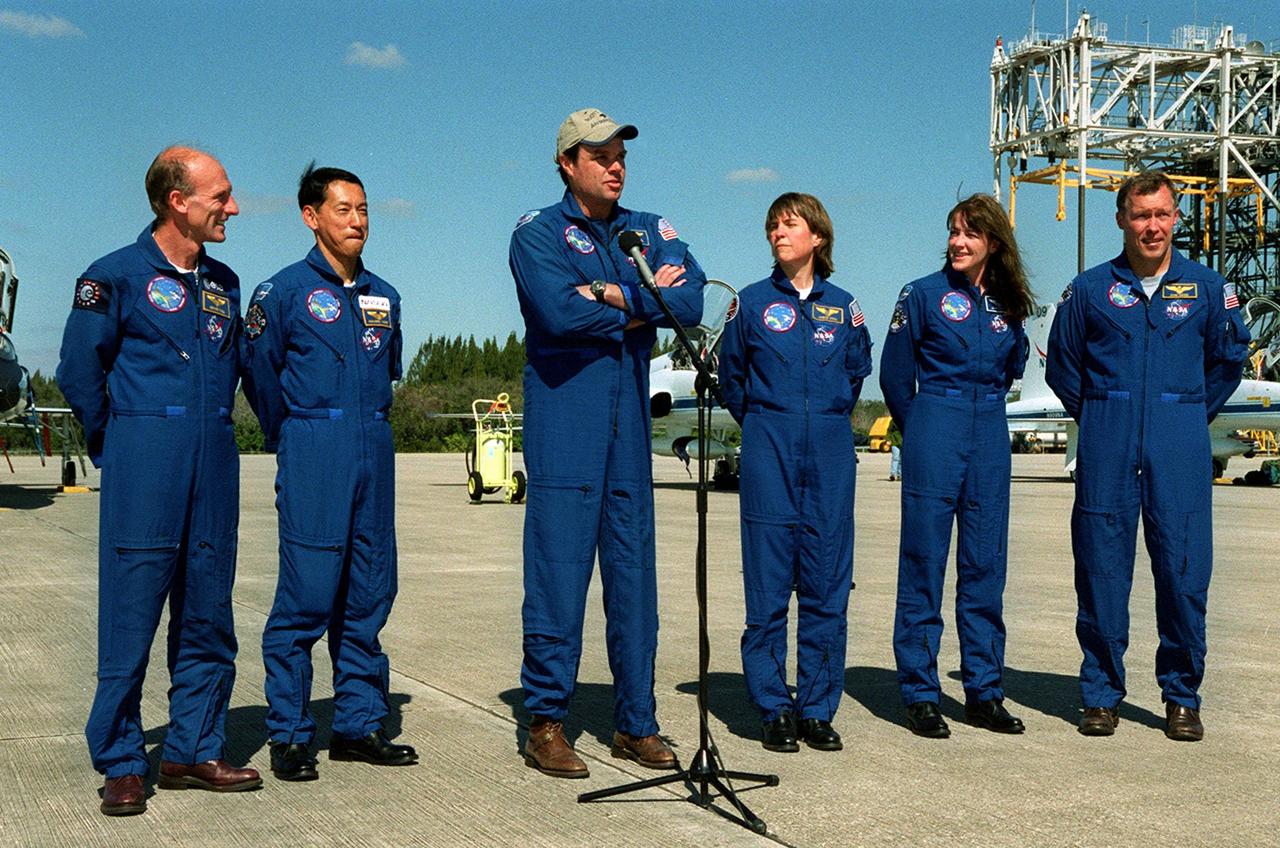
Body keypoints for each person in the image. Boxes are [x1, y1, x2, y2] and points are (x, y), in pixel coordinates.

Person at [57, 146, 260, 816]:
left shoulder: (223, 283)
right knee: (131, 615)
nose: (232, 207)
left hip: (214, 464)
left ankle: (192, 748)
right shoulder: (110, 277)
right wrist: (120, 443)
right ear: (178, 199)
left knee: (208, 613)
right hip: (146, 461)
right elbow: (79, 371)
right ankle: (120, 759)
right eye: (220, 196)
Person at [509, 107, 706, 778]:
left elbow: (692, 302)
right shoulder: (538, 233)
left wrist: (606, 293)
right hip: (567, 422)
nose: (617, 163)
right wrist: (638, 299)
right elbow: (557, 310)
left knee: (634, 579)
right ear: (568, 163)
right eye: (600, 154)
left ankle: (636, 723)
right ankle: (545, 721)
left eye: (621, 152)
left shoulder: (648, 229)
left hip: (627, 433)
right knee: (559, 576)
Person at [1045, 171, 1249, 741]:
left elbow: (1227, 361)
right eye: (1140, 215)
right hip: (1108, 441)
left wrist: (1183, 414)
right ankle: (1101, 694)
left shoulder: (1208, 288)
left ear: (1176, 217)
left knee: (1184, 574)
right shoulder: (1088, 290)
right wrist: (1105, 414)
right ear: (1121, 220)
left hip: (1179, 442)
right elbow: (1062, 365)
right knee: (1101, 571)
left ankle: (1182, 696)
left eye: (1161, 214)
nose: (1151, 226)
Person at [242, 163, 414, 781]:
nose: (358, 221)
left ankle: (358, 723)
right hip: (314, 440)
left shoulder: (384, 295)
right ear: (311, 217)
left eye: (364, 209)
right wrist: (291, 433)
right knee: (309, 592)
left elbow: (388, 369)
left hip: (374, 440)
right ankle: (289, 731)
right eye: (344, 209)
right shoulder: (280, 292)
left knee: (370, 589)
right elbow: (261, 376)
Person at [718, 193, 872, 752]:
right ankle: (773, 706)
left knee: (827, 583)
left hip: (830, 450)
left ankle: (816, 707)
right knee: (767, 586)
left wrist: (821, 419)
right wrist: (766, 423)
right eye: (773, 226)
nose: (778, 233)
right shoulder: (751, 304)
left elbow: (856, 373)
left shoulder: (846, 307)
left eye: (790, 224)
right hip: (769, 446)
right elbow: (732, 377)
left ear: (818, 237)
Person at [880, 194, 1034, 739]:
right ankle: (921, 691)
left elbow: (1014, 365)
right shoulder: (920, 294)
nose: (958, 242)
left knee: (985, 563)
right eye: (953, 232)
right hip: (935, 424)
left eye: (970, 233)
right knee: (924, 560)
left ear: (993, 241)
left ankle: (984, 690)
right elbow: (895, 377)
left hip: (990, 429)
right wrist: (921, 429)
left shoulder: (1010, 304)